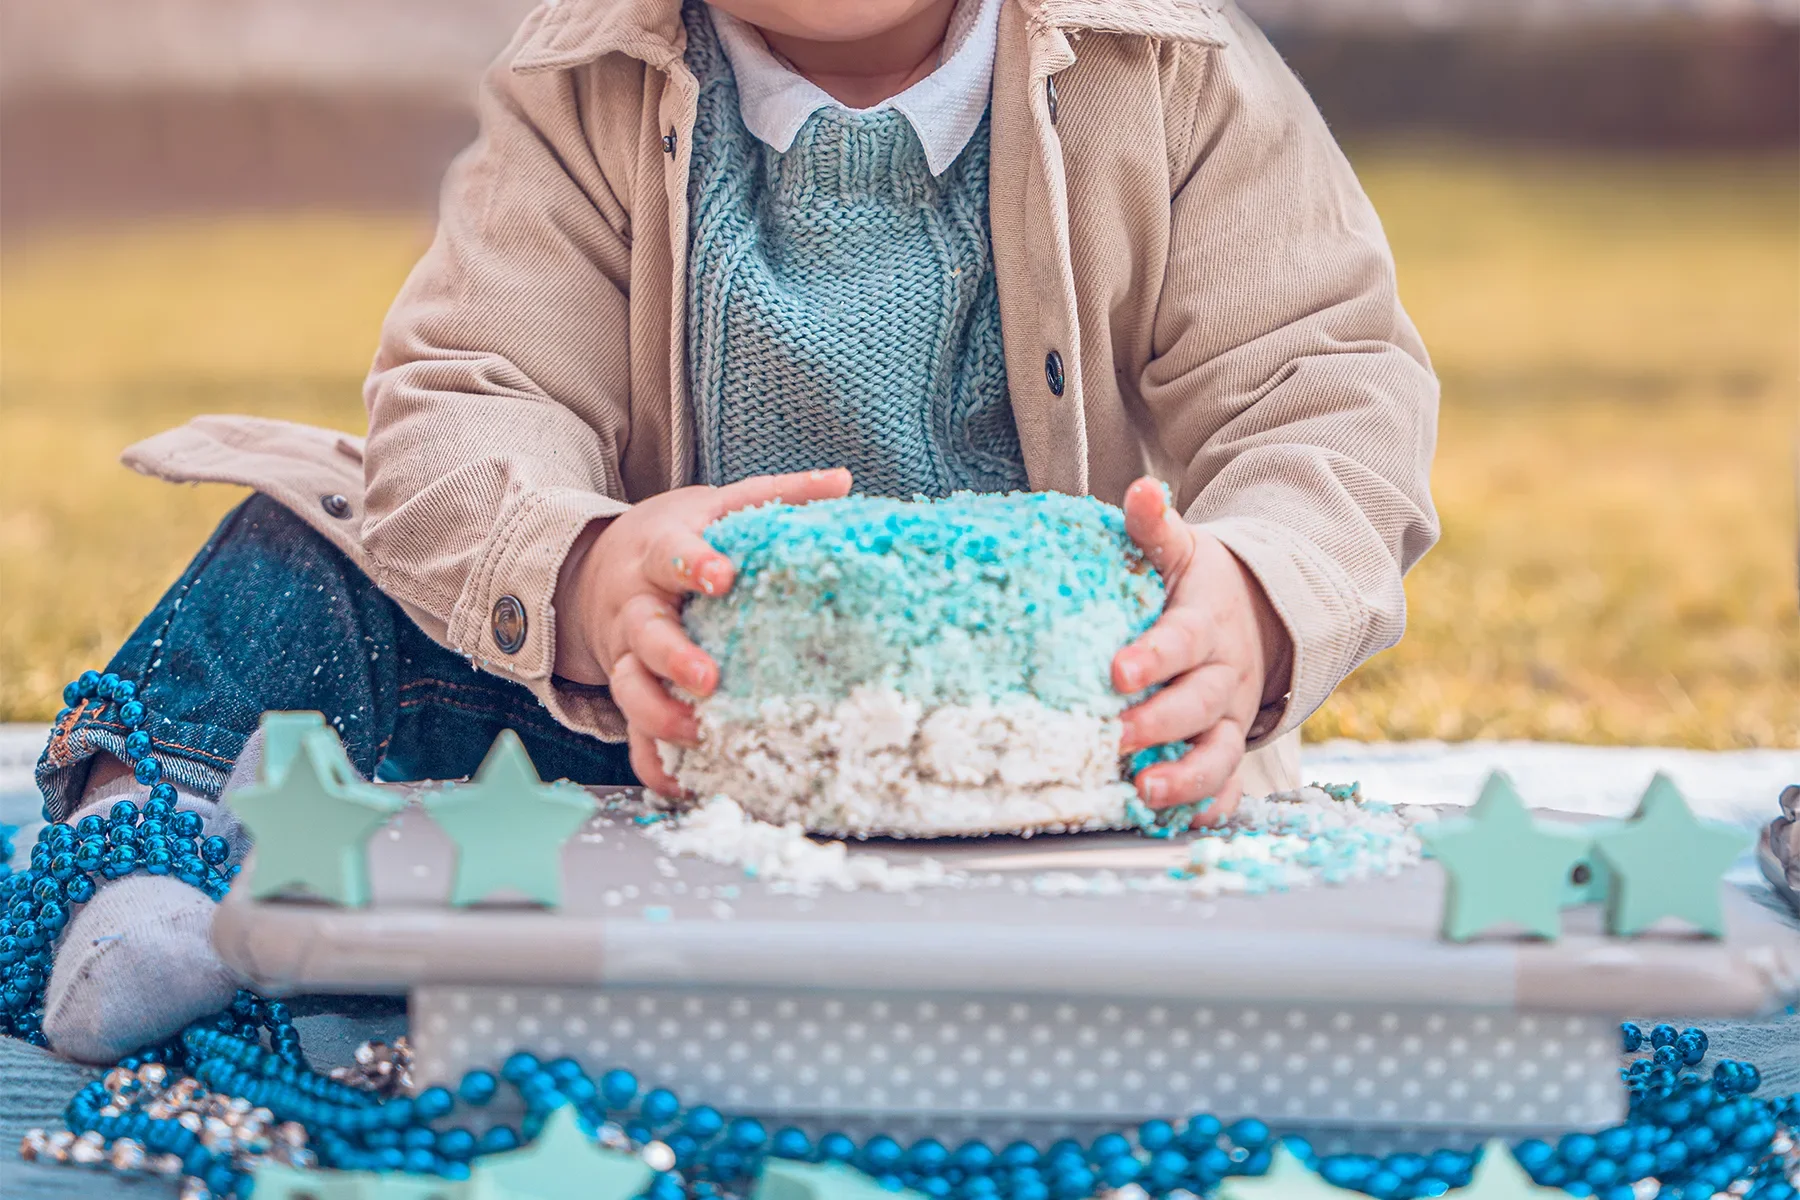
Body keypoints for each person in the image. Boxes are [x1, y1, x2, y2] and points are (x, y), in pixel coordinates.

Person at [30, 0, 1438, 1062]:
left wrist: (1252, 605)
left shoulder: (1171, 66)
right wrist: (585, 579)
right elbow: (478, 392)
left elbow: (1327, 384)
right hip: (660, 715)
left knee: (1161, 823)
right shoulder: (586, 83)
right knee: (301, 544)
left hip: (1060, 730)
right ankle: (142, 849)